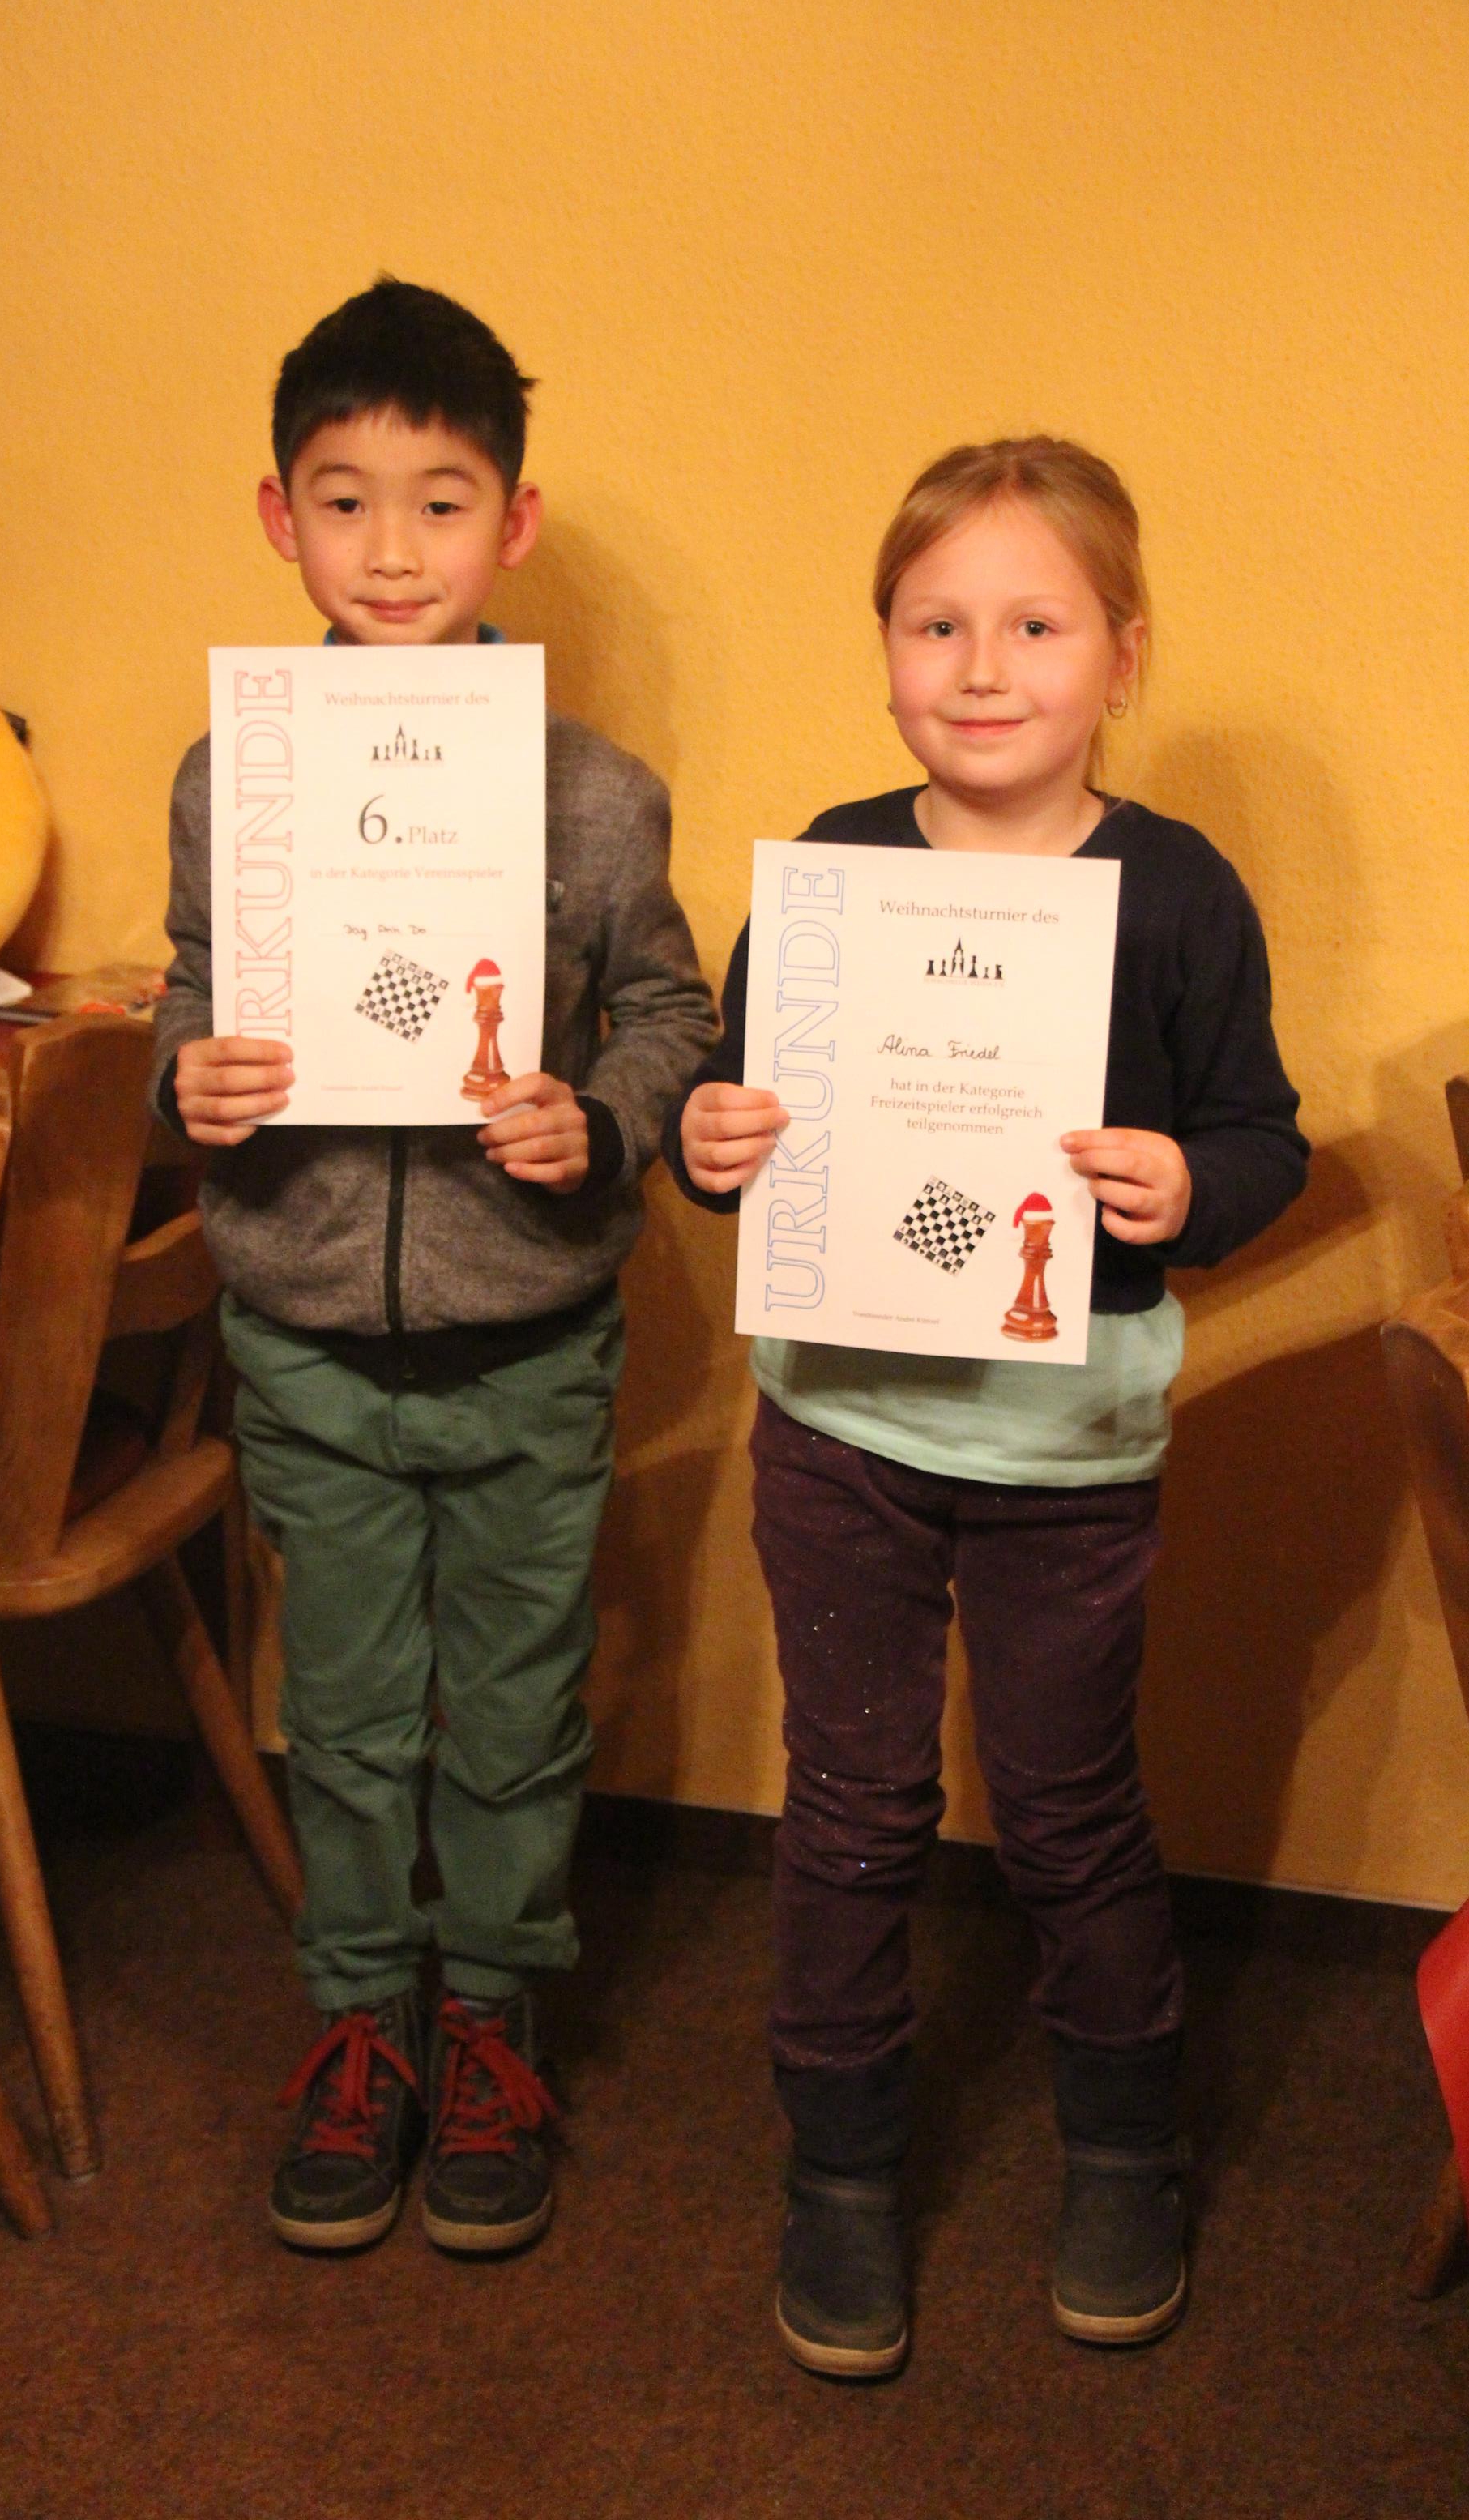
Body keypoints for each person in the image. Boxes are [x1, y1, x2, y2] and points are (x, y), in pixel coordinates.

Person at [667, 438, 1307, 2377]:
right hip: (841, 1433)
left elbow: (1259, 1136)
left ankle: (1120, 2143)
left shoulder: (1174, 891)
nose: (978, 666)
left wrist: (1190, 1185)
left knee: (1063, 1807)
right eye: (933, 623)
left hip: (1067, 1448)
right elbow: (735, 1117)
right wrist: (708, 1139)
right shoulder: (832, 870)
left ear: (1120, 651)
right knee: (850, 1808)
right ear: (882, 648)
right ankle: (840, 2166)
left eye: (1033, 624)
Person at [152, 277, 717, 2259]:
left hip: (527, 1336)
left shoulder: (595, 795)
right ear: (277, 517)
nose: (391, 549)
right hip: (303, 1331)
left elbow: (670, 1015)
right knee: (347, 1705)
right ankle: (355, 2021)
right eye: (343, 500)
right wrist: (185, 1072)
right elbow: (194, 991)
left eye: (441, 502)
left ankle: (487, 2016)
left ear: (514, 523)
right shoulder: (232, 779)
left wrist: (602, 1117)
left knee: (516, 1701)